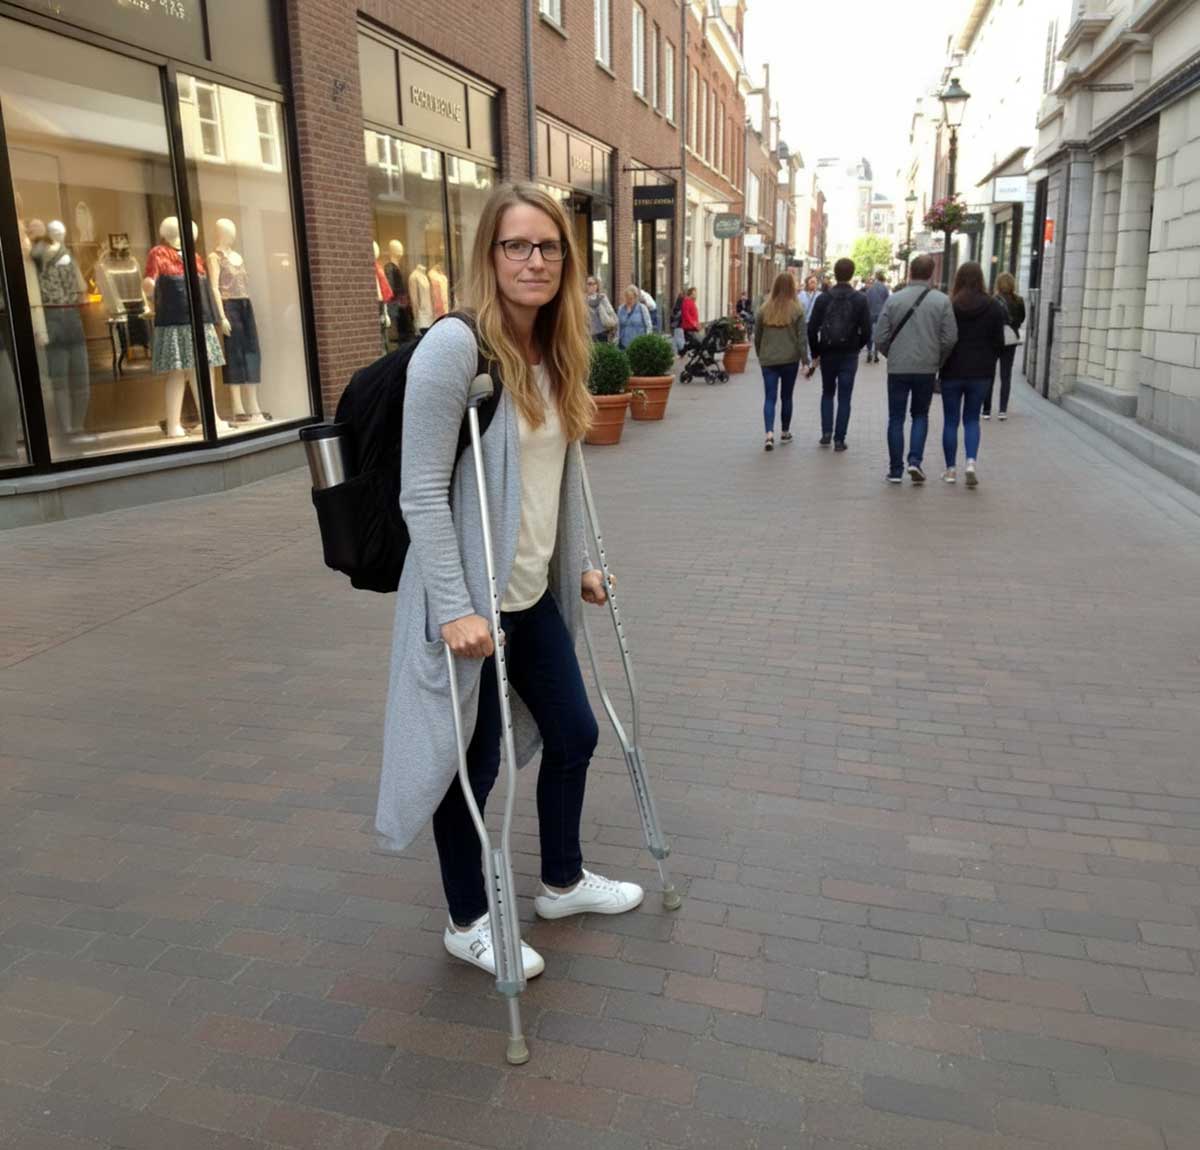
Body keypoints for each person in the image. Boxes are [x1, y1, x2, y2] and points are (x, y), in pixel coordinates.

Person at [379, 183, 644, 980]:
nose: (535, 261)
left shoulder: (557, 350)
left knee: (575, 734)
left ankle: (561, 881)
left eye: (549, 246)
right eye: (517, 246)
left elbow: (554, 477)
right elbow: (420, 491)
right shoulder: (455, 349)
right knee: (473, 765)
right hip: (471, 606)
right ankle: (467, 921)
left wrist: (580, 563)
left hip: (530, 596)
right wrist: (454, 609)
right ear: (489, 256)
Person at [874, 254, 957, 484]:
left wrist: (891, 354)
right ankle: (915, 461)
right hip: (926, 367)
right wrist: (937, 358)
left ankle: (895, 470)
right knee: (920, 415)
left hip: (898, 368)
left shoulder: (894, 300)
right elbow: (950, 337)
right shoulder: (942, 301)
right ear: (931, 273)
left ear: (910, 272)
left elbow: (879, 337)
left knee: (896, 417)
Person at [939, 261, 1007, 487]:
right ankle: (970, 462)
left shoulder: (950, 305)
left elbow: (944, 337)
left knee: (951, 421)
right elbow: (999, 342)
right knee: (971, 419)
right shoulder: (993, 306)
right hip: (980, 372)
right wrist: (989, 359)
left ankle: (950, 470)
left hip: (952, 369)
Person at [807, 256, 872, 451]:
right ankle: (839, 439)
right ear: (852, 274)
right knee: (845, 397)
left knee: (827, 393)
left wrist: (816, 352)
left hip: (828, 352)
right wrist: (857, 346)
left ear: (835, 273)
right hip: (849, 354)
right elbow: (867, 331)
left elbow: (811, 328)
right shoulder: (860, 299)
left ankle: (826, 433)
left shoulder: (823, 298)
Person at [754, 272, 810, 451]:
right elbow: (802, 339)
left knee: (769, 397)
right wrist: (805, 361)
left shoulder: (764, 309)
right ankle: (785, 432)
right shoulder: (797, 309)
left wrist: (761, 354)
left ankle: (769, 434)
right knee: (786, 396)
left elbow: (757, 336)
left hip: (768, 360)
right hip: (789, 359)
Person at [985, 271, 1025, 421]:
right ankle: (1002, 410)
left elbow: (988, 320)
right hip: (1010, 340)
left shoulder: (992, 300)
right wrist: (1012, 326)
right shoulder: (1019, 301)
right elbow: (1021, 319)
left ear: (998, 284)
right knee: (1006, 376)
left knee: (990, 375)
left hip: (994, 341)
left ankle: (986, 410)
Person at [617, 284, 654, 348]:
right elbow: (618, 327)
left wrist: (647, 340)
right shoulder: (621, 309)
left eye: (631, 298)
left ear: (635, 298)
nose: (628, 300)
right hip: (623, 344)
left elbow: (649, 326)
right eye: (627, 298)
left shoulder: (642, 308)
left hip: (638, 344)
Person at [865, 272, 890, 363]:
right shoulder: (885, 289)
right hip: (881, 314)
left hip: (870, 314)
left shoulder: (870, 289)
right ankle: (876, 353)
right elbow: (888, 302)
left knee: (869, 333)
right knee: (878, 333)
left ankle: (869, 352)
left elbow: (867, 302)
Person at [585, 275, 617, 344]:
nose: (592, 286)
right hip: (588, 335)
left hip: (602, 333)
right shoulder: (582, 300)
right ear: (586, 286)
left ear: (597, 285)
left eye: (594, 283)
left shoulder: (602, 297)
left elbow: (611, 313)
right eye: (589, 284)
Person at [680, 286, 701, 351]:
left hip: (693, 326)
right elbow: (686, 314)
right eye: (694, 293)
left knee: (695, 342)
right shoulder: (686, 301)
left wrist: (697, 324)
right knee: (692, 342)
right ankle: (682, 352)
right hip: (688, 326)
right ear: (690, 294)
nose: (695, 295)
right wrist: (693, 323)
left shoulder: (691, 302)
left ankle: (685, 352)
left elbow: (694, 315)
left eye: (696, 293)